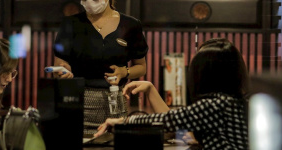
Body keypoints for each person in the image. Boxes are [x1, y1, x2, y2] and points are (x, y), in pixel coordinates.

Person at [95, 38, 249, 150]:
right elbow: (175, 124)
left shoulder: (216, 105)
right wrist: (150, 89)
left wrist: (122, 122)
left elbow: (169, 120)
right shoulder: (237, 102)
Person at [53, 0, 149, 136]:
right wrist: (62, 72)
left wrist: (124, 72)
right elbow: (60, 65)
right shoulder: (70, 25)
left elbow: (141, 67)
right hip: (78, 107)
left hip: (116, 107)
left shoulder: (130, 25)